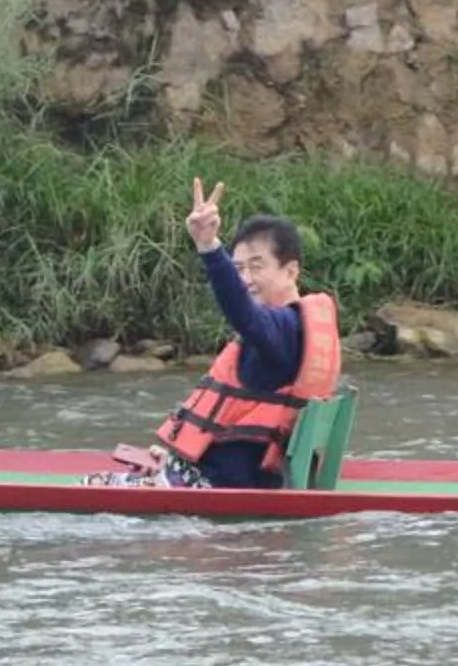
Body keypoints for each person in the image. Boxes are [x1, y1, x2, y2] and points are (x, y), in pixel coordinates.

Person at [99, 177, 342, 488]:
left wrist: (209, 247)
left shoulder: (283, 329)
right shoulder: (295, 328)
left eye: (256, 266)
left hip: (224, 483)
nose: (246, 279)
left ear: (291, 271)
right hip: (232, 476)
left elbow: (244, 314)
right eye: (238, 269)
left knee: (91, 484)